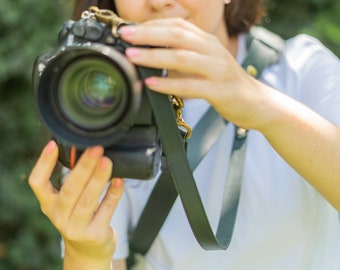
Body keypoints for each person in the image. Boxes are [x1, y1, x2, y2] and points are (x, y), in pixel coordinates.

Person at [28, 0, 340, 269]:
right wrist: (85, 252)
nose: (160, 2)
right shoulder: (99, 99)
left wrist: (261, 104)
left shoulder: (302, 68)